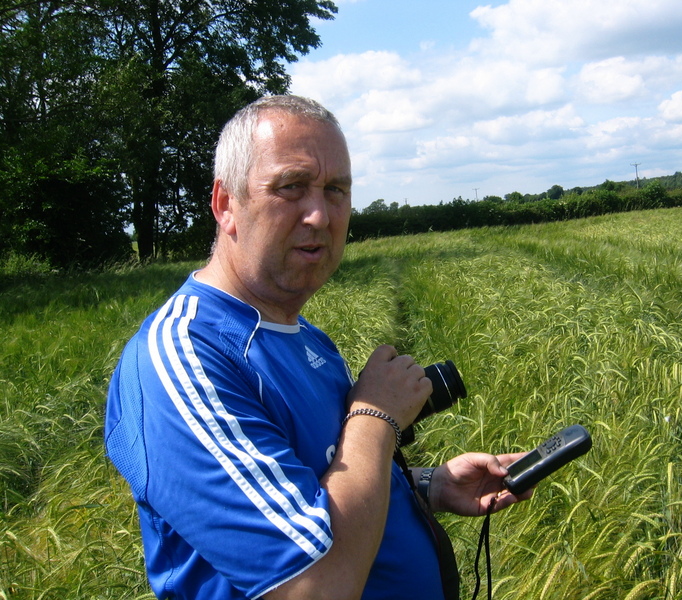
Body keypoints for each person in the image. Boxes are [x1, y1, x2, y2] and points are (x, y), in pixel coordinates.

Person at [105, 94, 531, 600]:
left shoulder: (306, 337)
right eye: (291, 186)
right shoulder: (185, 358)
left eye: (335, 190)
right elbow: (314, 587)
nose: (320, 216)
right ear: (226, 205)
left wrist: (427, 486)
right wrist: (375, 413)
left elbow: (308, 485)